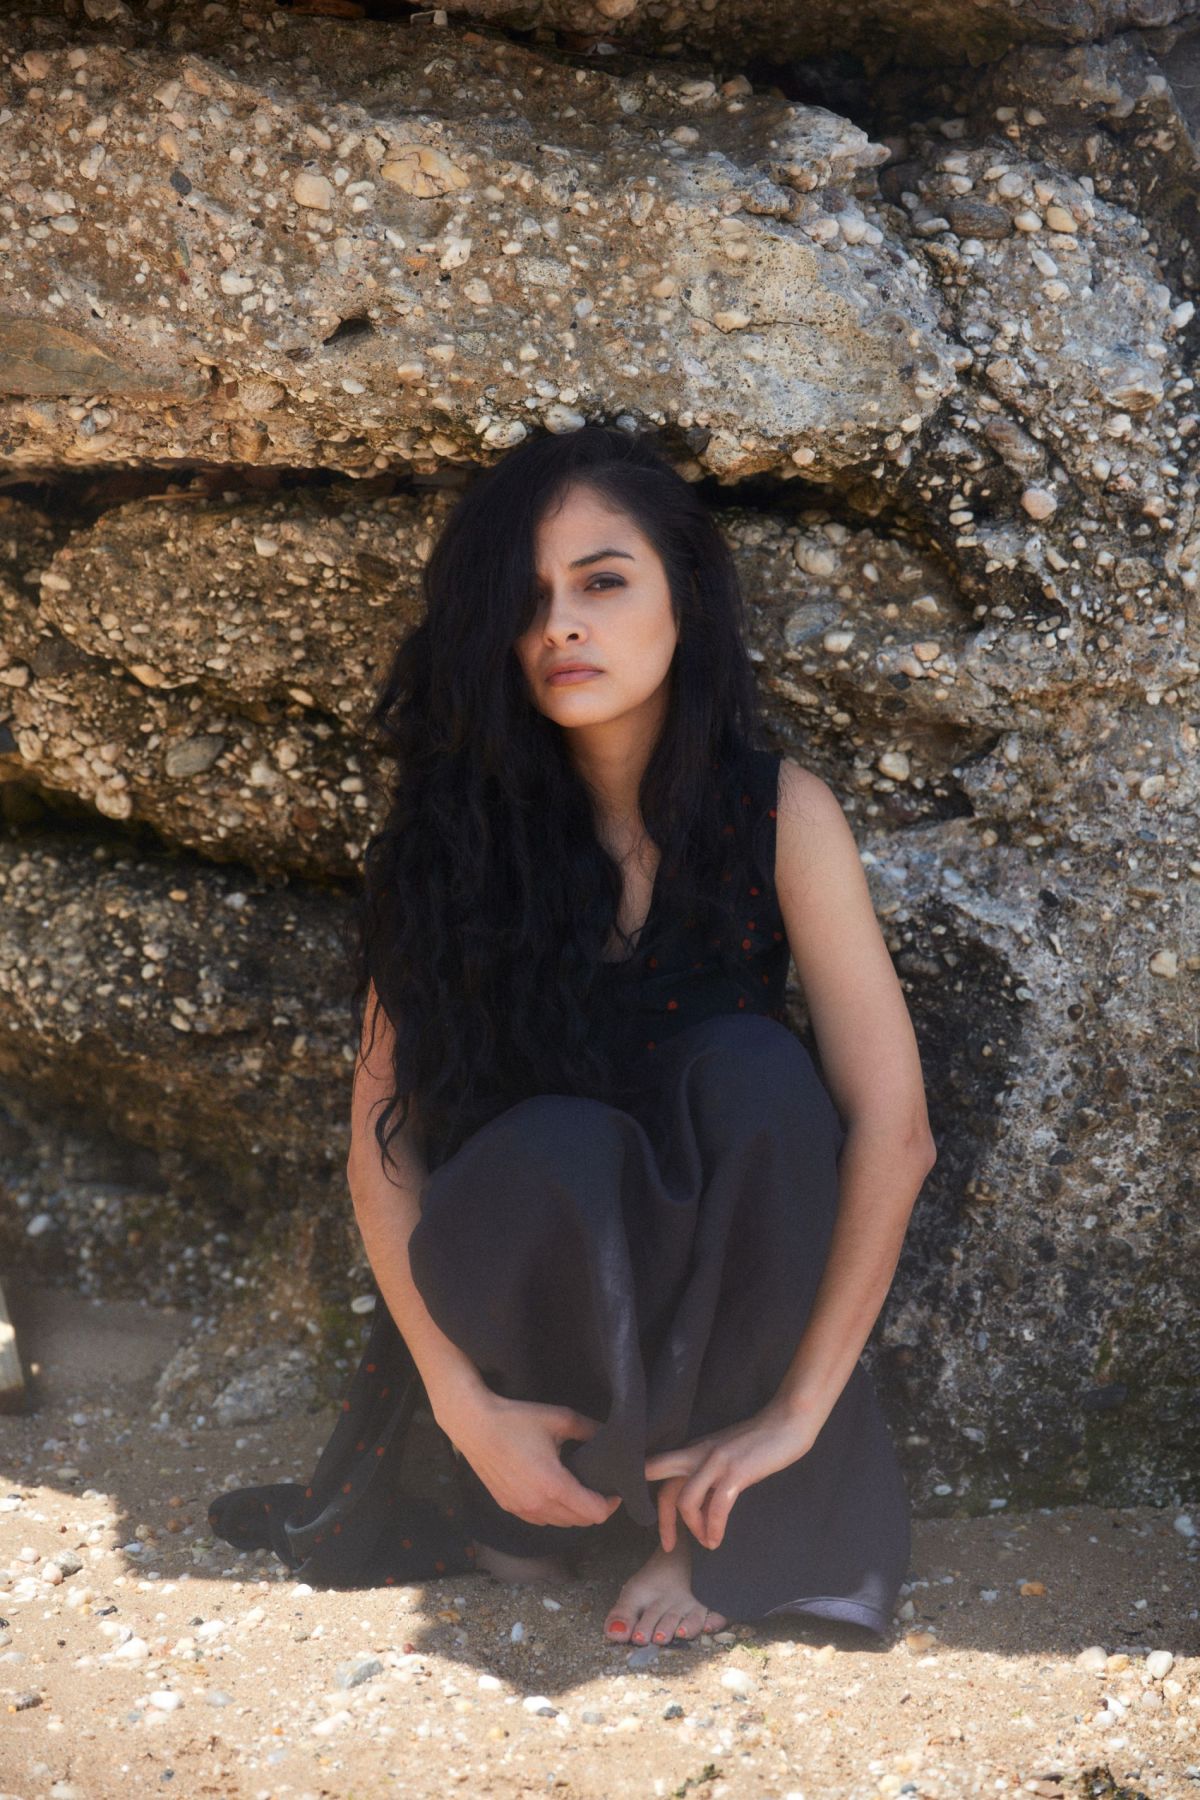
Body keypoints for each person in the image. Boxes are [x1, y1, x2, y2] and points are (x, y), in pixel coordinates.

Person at [208, 424, 936, 1649]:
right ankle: (525, 1511)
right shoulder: (446, 843)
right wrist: (461, 1407)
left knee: (755, 1075)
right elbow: (382, 1153)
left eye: (603, 582)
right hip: (531, 1318)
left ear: (684, 601)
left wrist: (799, 1413)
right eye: (527, 598)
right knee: (558, 1145)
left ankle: (710, 1522)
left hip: (721, 1323)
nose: (561, 626)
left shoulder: (778, 814)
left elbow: (894, 1131)